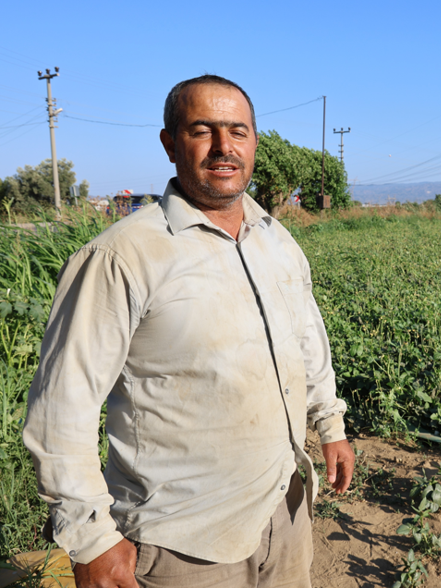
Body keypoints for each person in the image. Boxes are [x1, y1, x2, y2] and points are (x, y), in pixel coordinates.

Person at [23, 74, 355, 588]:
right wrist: (91, 540)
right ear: (170, 143)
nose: (225, 147)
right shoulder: (123, 256)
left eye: (238, 132)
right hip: (184, 541)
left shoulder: (276, 239)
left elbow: (306, 341)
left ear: (254, 143)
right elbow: (61, 408)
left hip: (284, 508)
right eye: (204, 130)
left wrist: (329, 425)